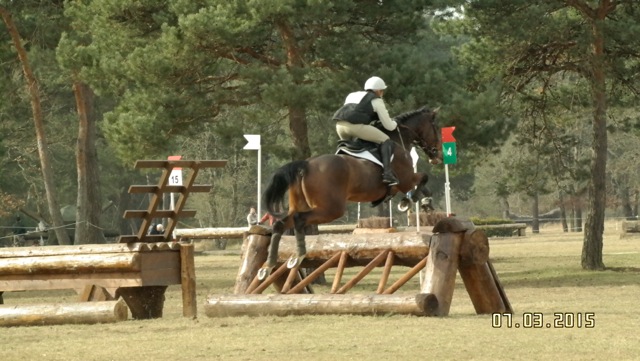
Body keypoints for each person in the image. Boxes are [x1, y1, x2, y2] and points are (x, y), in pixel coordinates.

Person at [333, 76, 399, 186]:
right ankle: (387, 174)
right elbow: (389, 126)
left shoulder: (352, 95)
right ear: (378, 91)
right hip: (355, 127)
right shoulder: (377, 100)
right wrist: (395, 122)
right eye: (382, 91)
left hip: (339, 126)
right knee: (386, 140)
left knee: (348, 149)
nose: (382, 93)